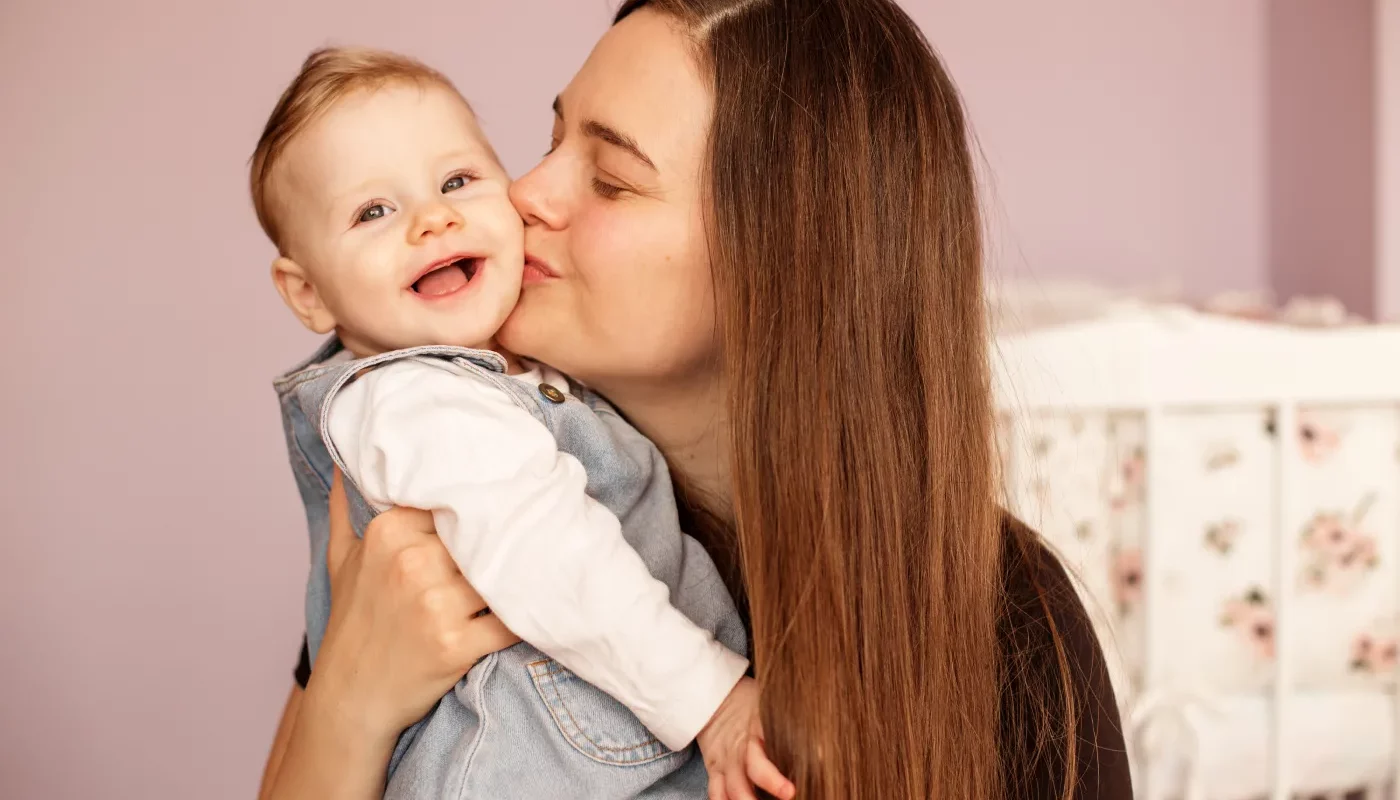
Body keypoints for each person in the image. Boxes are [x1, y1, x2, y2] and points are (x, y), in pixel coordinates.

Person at [259, 1, 1134, 798]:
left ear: (780, 266)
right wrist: (348, 705)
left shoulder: (1005, 620)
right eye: (550, 137)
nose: (524, 193)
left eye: (610, 178)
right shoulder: (441, 491)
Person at [252, 47, 790, 799]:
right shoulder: (414, 405)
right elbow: (550, 551)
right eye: (374, 211)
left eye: (458, 180)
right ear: (307, 294)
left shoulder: (491, 388)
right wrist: (714, 702)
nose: (434, 218)